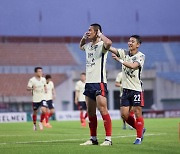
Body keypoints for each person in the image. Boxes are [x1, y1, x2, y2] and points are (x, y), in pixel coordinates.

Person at [79, 23, 112, 146]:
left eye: (90, 30)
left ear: (97, 32)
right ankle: (93, 138)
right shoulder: (88, 46)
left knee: (103, 109)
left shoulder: (102, 45)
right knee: (91, 112)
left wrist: (100, 35)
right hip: (89, 83)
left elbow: (109, 43)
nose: (88, 32)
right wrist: (83, 37)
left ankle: (108, 139)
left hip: (99, 82)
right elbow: (80, 46)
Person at [109, 35, 146, 144]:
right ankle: (140, 129)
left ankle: (138, 138)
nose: (130, 43)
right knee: (124, 115)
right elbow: (112, 48)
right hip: (125, 90)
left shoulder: (141, 56)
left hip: (136, 89)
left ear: (138, 45)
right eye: (129, 41)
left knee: (138, 113)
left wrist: (119, 60)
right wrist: (102, 41)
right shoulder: (124, 53)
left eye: (133, 41)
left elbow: (133, 66)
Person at [27, 67, 47, 131]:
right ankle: (34, 124)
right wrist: (32, 88)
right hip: (35, 99)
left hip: (42, 97)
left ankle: (40, 122)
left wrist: (45, 88)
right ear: (35, 72)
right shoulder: (32, 80)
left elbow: (45, 85)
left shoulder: (43, 79)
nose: (41, 72)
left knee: (44, 110)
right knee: (35, 111)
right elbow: (27, 88)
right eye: (39, 71)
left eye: (41, 71)